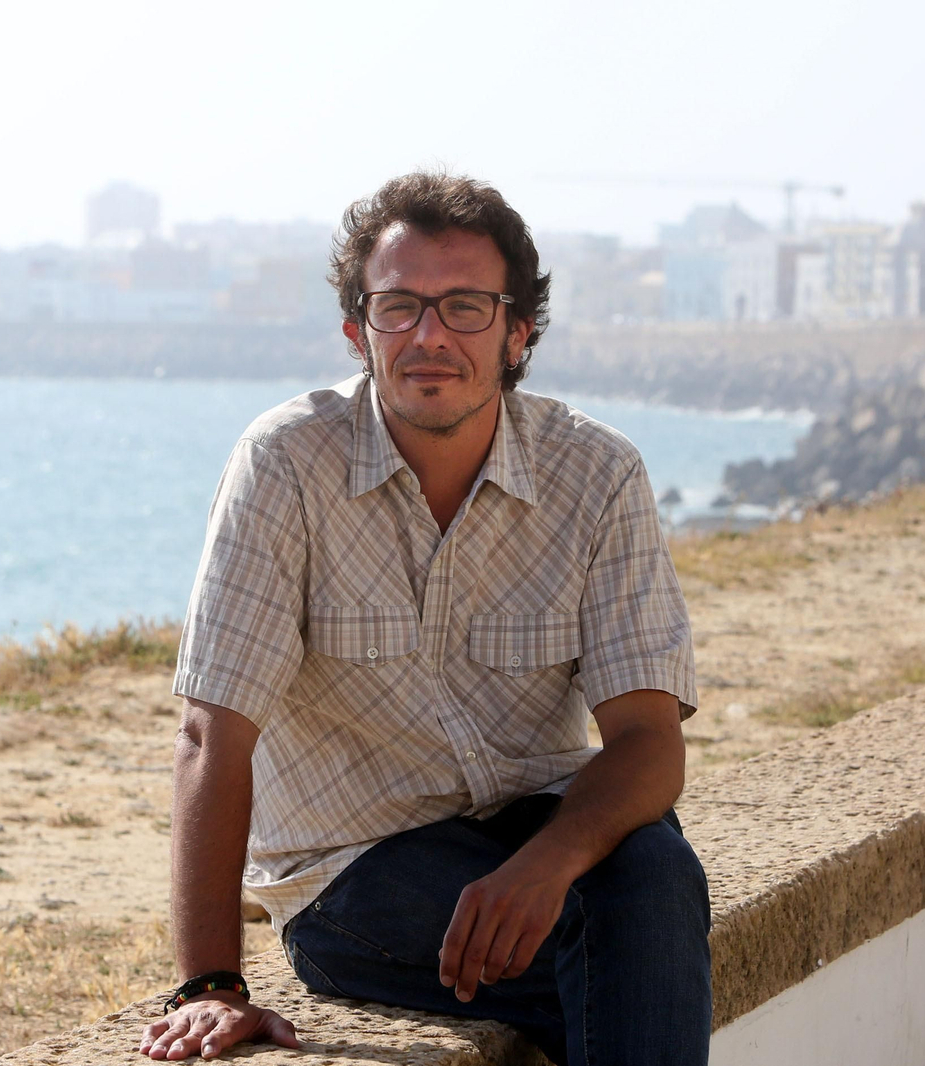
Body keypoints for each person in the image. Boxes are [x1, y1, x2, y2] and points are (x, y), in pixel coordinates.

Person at [137, 172, 711, 1065]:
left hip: (542, 823)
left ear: (519, 331)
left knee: (654, 876)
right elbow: (213, 734)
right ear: (358, 331)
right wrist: (211, 983)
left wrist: (546, 861)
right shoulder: (285, 464)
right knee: (628, 962)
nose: (429, 335)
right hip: (356, 868)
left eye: (466, 307)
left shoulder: (596, 474)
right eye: (398, 306)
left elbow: (646, 741)